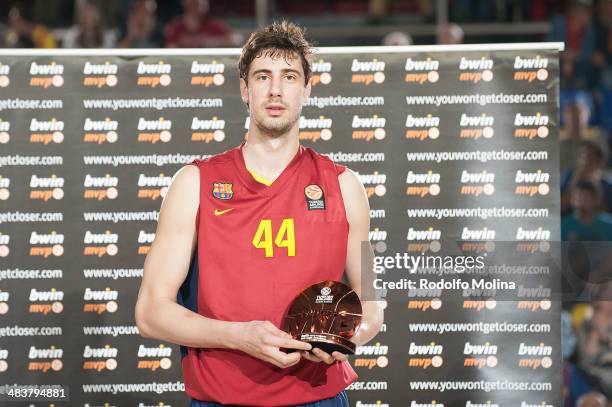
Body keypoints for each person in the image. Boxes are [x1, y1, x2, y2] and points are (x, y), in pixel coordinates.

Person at [135, 21, 384, 406]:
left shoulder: (346, 187)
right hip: (222, 398)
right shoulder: (194, 183)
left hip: (318, 397)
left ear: (307, 89)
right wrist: (239, 336)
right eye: (262, 76)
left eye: (289, 76)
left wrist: (346, 335)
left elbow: (371, 301)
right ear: (244, 89)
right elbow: (151, 312)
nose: (275, 89)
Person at [164, 0, 242, 48]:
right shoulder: (176, 26)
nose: (201, 7)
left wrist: (213, 42)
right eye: (196, 4)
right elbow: (170, 48)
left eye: (203, 4)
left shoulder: (212, 24)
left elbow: (237, 40)